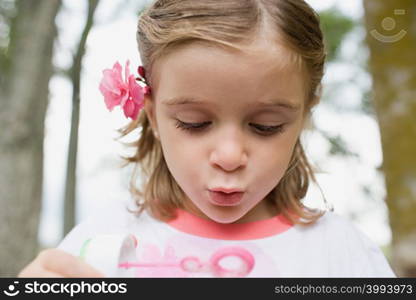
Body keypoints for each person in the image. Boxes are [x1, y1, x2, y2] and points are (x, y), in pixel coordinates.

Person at [19, 0, 396, 278]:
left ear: (305, 114)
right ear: (152, 114)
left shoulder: (344, 257)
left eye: (265, 126)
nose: (229, 156)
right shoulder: (102, 244)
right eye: (194, 122)